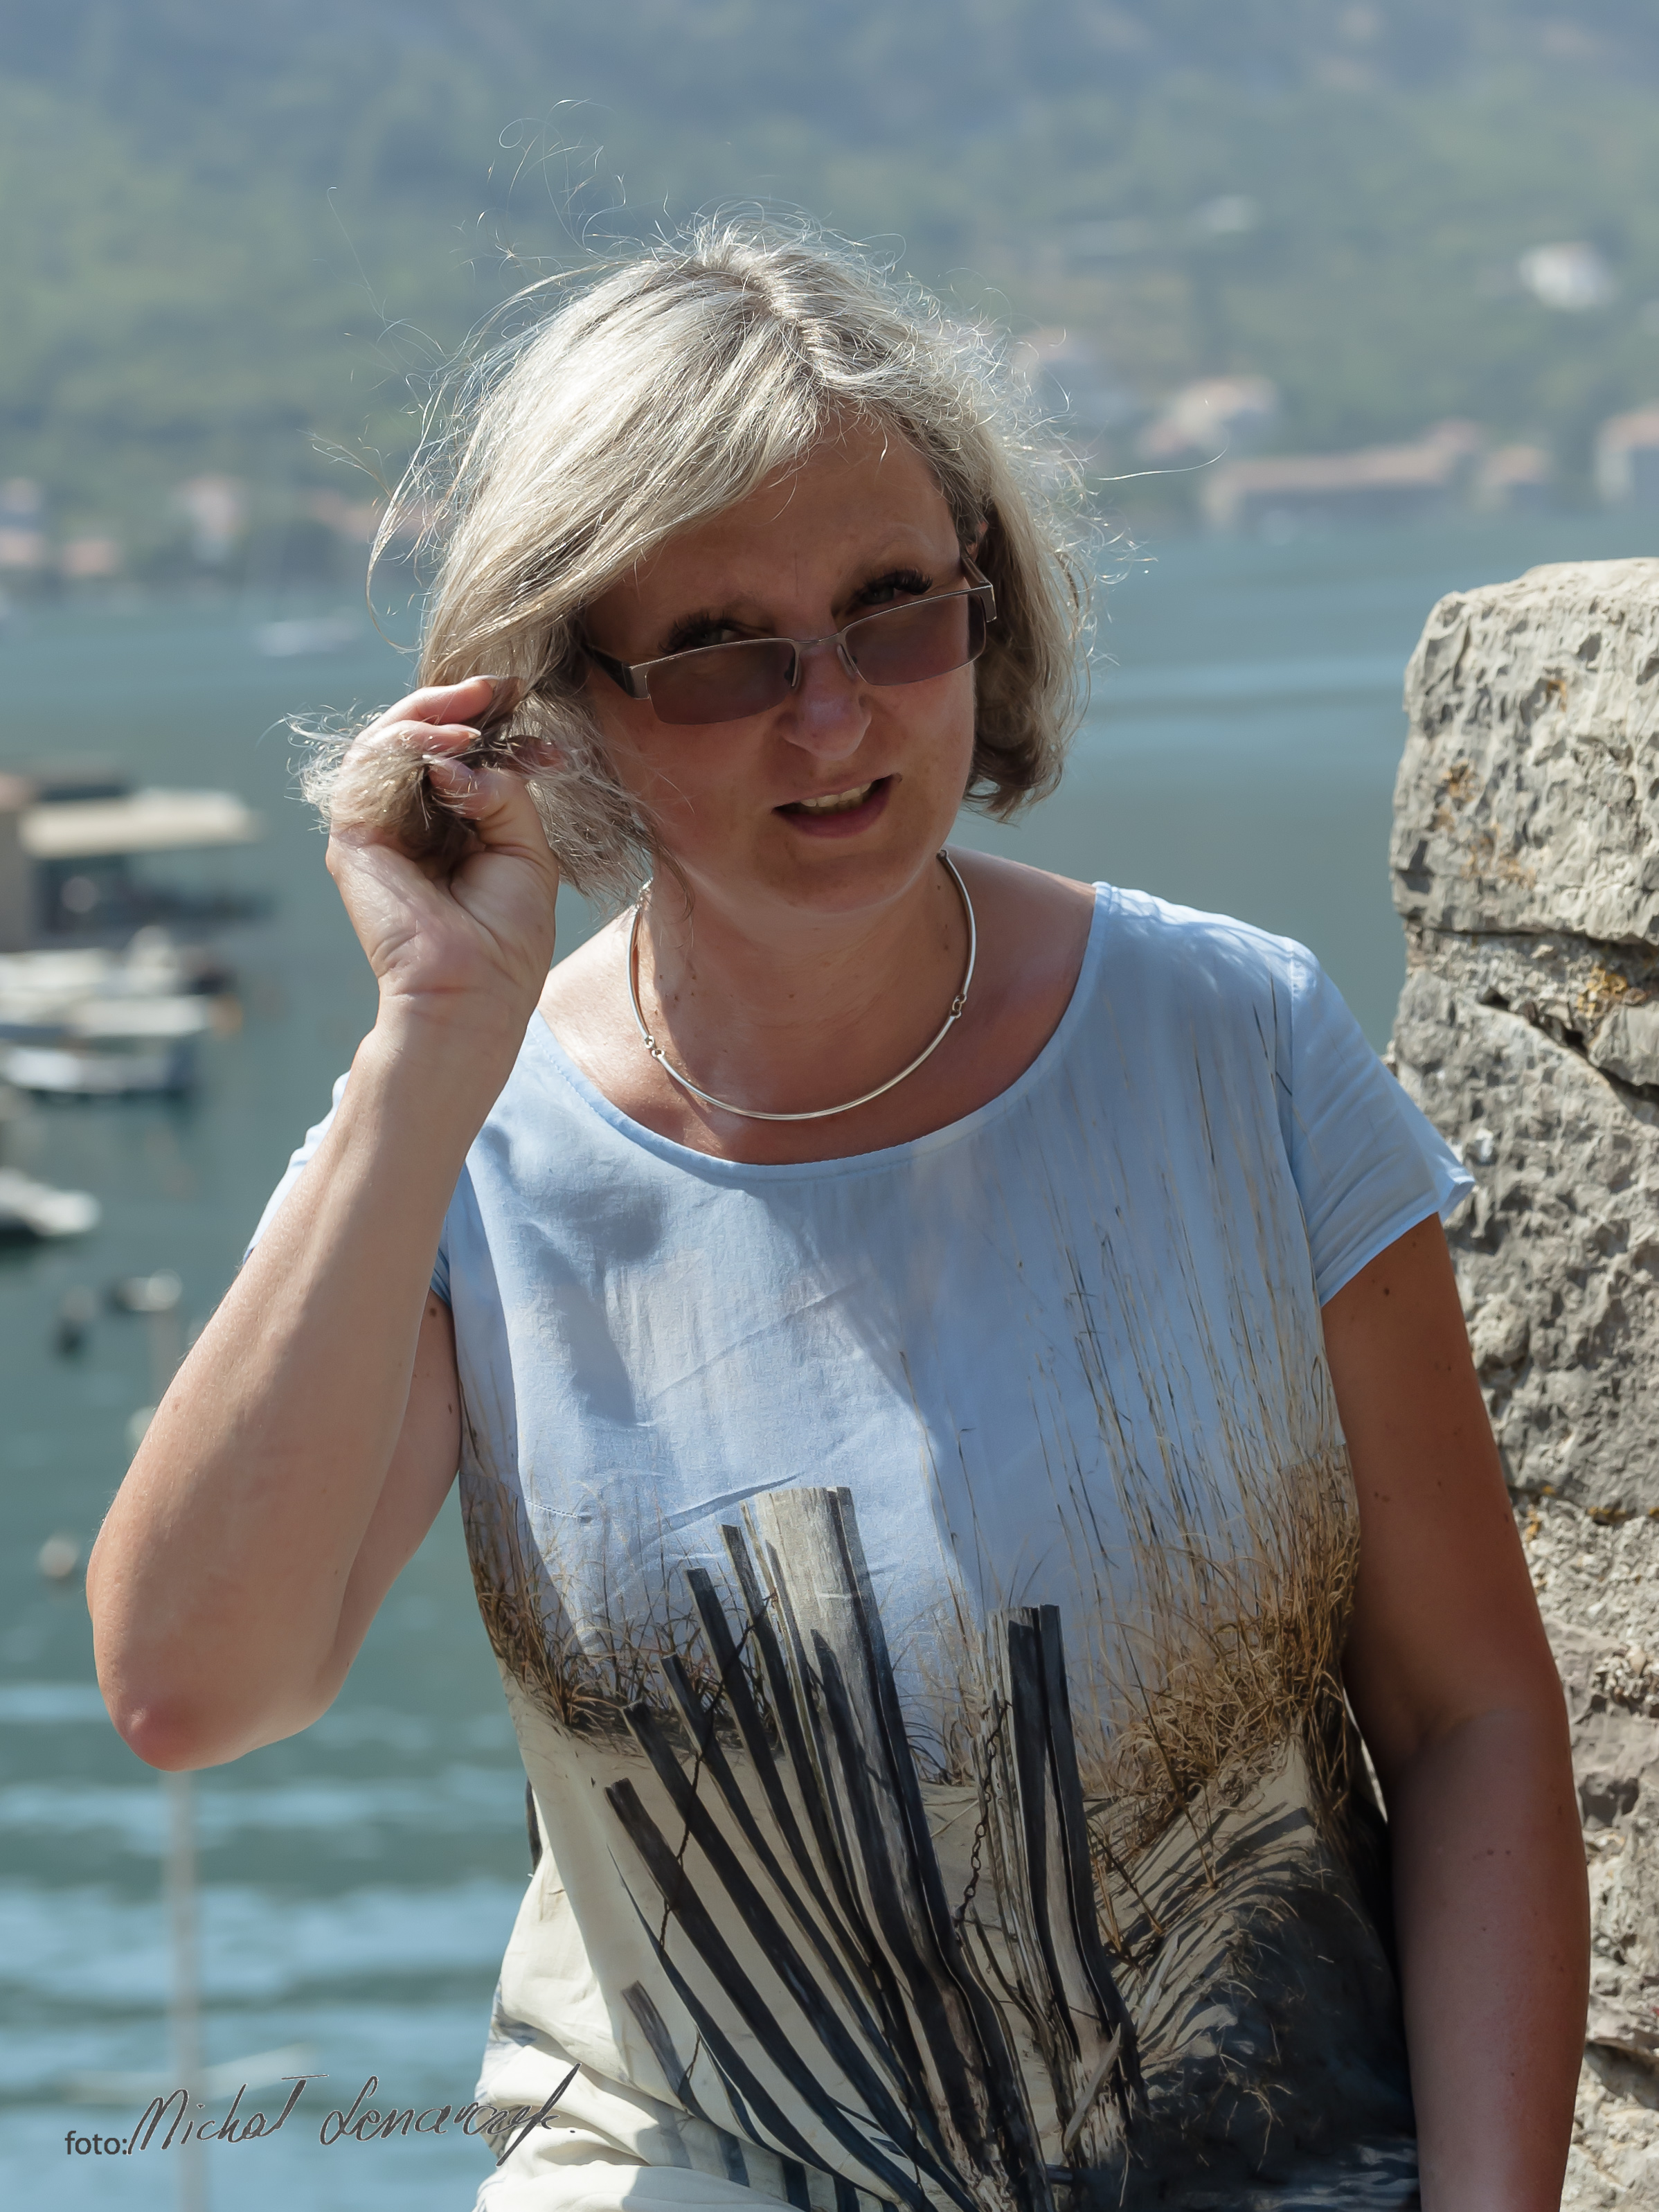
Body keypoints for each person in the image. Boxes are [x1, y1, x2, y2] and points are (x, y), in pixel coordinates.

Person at [87, 223, 1586, 2211]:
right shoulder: (472, 1146)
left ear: (986, 600)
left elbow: (1471, 1715)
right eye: (722, 652)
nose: (834, 719)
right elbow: (195, 1687)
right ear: (558, 705)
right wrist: (430, 1045)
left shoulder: (1237, 1047)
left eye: (893, 614)